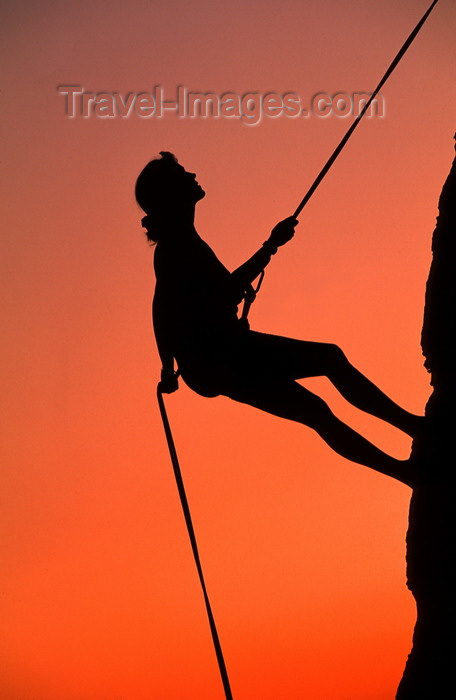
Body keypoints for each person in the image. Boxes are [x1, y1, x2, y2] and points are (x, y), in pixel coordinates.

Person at [136, 151, 423, 484]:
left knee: (315, 408)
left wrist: (168, 368)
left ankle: (407, 469)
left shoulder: (180, 242)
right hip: (221, 358)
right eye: (184, 174)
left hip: (218, 359)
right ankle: (412, 434)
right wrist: (270, 246)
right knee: (328, 362)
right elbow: (212, 295)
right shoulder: (176, 246)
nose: (193, 175)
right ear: (172, 193)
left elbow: (163, 307)